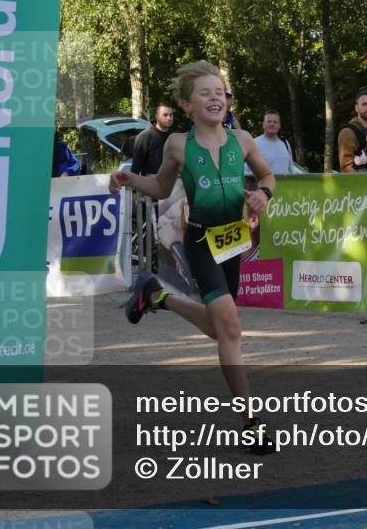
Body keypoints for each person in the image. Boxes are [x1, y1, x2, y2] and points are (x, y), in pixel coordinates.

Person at [109, 60, 276, 453]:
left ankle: (157, 296)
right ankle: (250, 423)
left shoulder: (245, 139)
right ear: (187, 105)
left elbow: (267, 177)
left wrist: (262, 195)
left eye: (220, 92)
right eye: (205, 93)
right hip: (200, 243)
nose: (215, 97)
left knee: (219, 329)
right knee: (231, 330)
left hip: (234, 244)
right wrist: (130, 179)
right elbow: (161, 185)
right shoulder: (178, 144)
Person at [130, 103, 174, 176]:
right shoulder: (145, 136)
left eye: (171, 115)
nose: (169, 118)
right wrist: (132, 185)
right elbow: (135, 167)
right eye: (165, 115)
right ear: (156, 117)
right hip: (150, 182)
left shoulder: (174, 136)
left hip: (172, 183)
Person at [252, 110, 294, 176]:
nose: (272, 124)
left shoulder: (285, 143)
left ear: (279, 125)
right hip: (264, 186)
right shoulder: (254, 143)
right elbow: (247, 172)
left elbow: (291, 169)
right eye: (269, 121)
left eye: (275, 122)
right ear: (263, 124)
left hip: (285, 186)